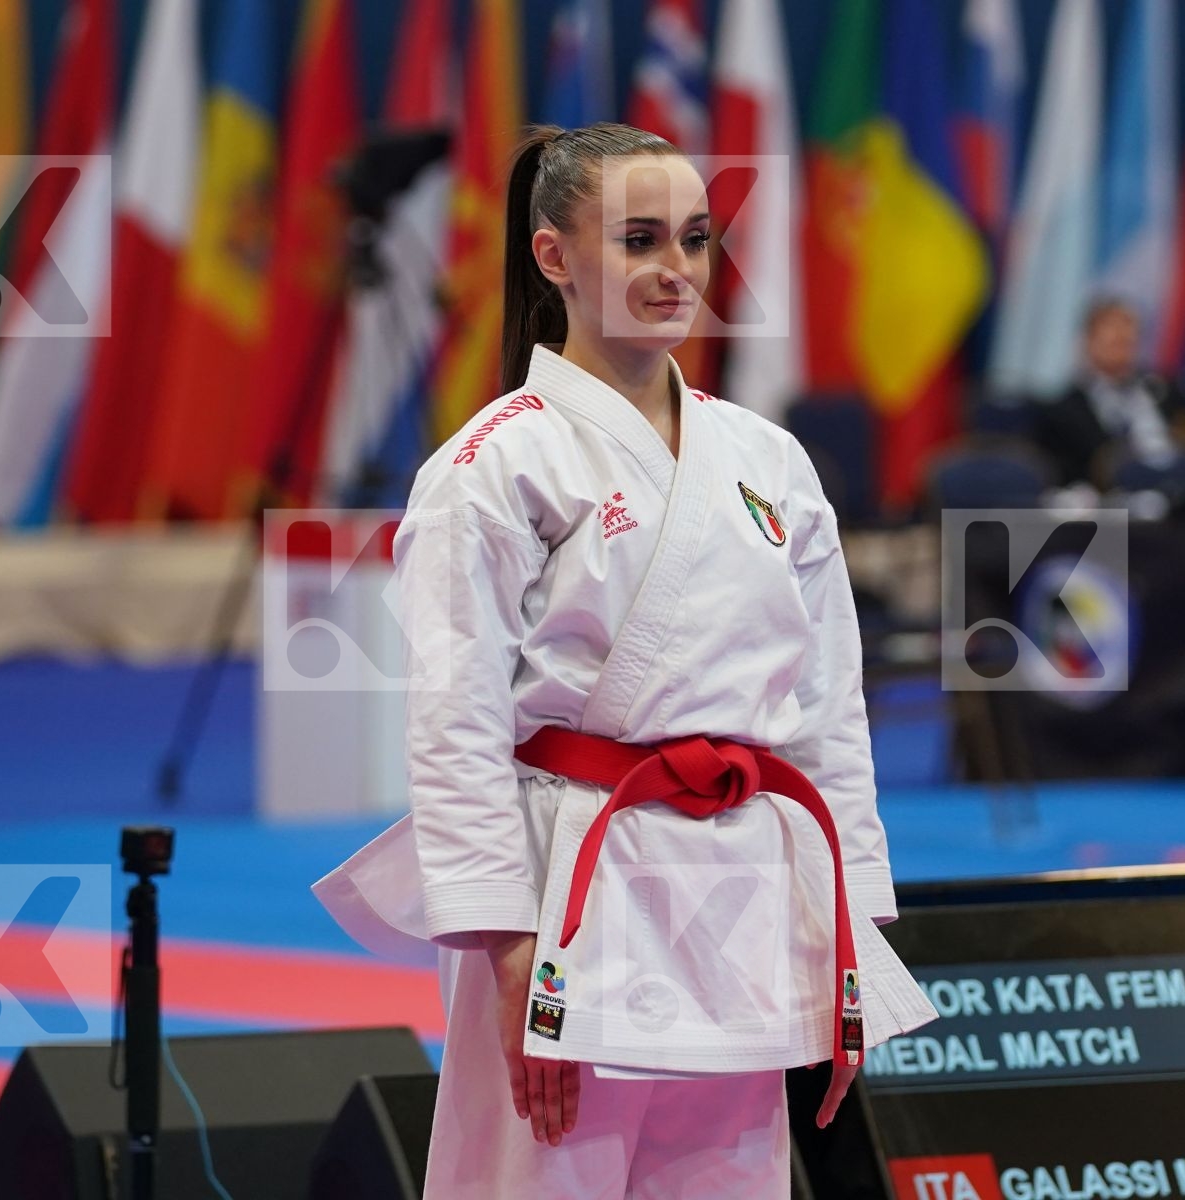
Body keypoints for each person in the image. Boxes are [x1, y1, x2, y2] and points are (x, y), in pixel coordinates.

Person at [312, 122, 937, 1199]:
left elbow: (827, 705)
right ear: (553, 256)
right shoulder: (494, 465)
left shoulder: (768, 458)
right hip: (574, 880)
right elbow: (454, 722)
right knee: (548, 1176)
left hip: (744, 875)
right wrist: (505, 946)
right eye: (639, 239)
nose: (675, 271)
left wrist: (848, 918)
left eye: (692, 241)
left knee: (729, 1181)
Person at [1034, 296, 1185, 488]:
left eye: (1129, 329)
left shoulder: (1167, 392)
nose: (1123, 335)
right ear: (1087, 341)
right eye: (1112, 331)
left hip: (1177, 495)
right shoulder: (1063, 410)